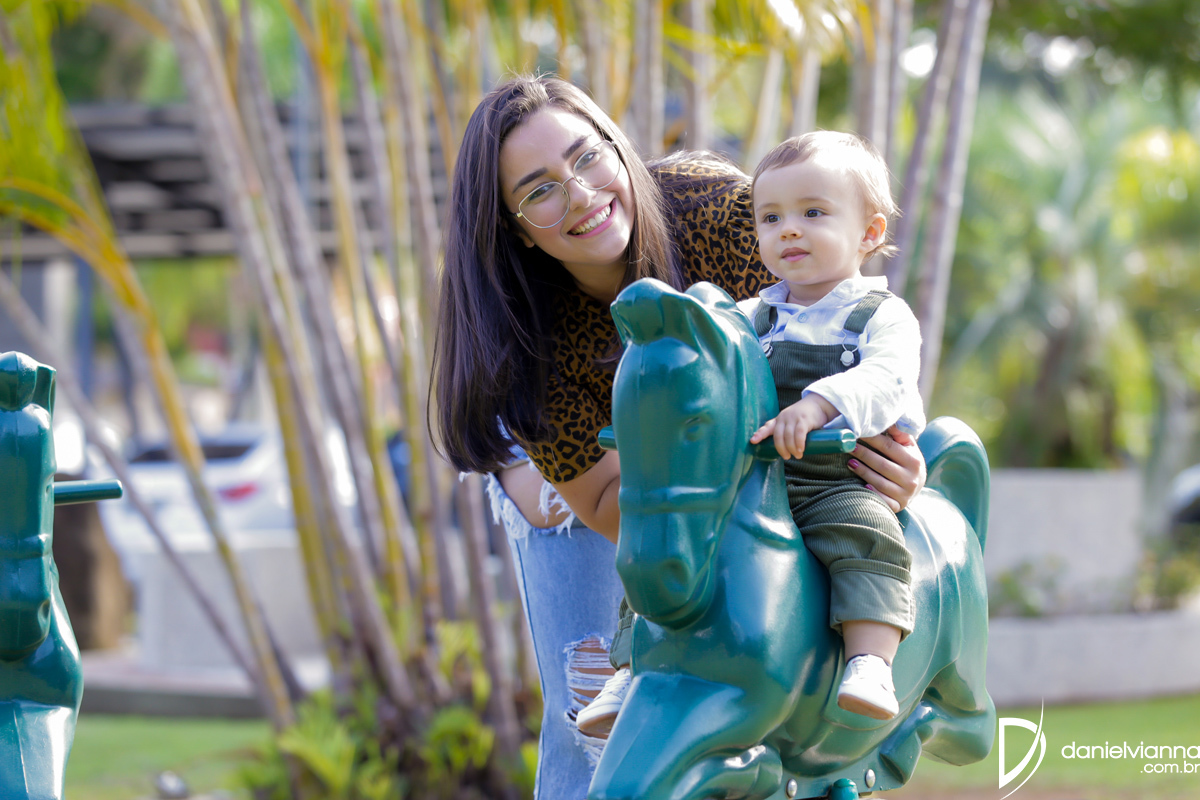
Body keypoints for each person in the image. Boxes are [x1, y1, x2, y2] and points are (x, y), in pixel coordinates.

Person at [432, 76, 927, 799]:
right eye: (539, 191)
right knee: (589, 708)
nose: (581, 194)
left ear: (617, 148)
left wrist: (890, 459)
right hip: (585, 478)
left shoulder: (723, 215)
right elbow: (616, 509)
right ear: (516, 228)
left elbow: (847, 340)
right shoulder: (521, 343)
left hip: (725, 457)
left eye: (587, 157)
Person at [739, 130, 925, 720]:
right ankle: (630, 665)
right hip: (750, 482)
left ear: (869, 233)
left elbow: (888, 380)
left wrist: (819, 404)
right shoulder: (747, 317)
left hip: (835, 481)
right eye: (771, 218)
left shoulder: (880, 316)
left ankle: (870, 661)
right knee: (675, 541)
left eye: (812, 213)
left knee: (866, 532)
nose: (788, 230)